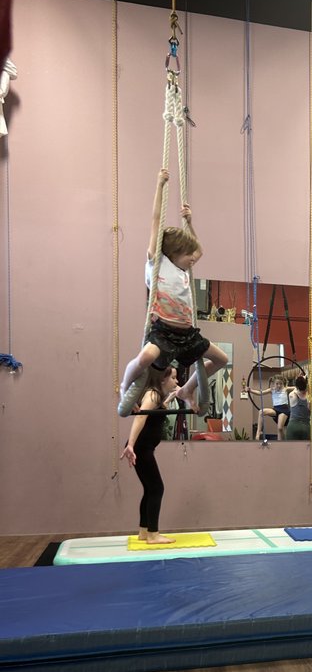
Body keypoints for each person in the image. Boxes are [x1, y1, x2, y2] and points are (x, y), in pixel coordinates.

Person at [119, 169, 228, 413]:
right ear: (175, 253)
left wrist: (190, 223)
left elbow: (199, 250)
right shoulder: (157, 263)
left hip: (188, 333)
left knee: (221, 359)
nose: (193, 258)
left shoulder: (183, 270)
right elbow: (155, 221)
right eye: (188, 255)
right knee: (146, 358)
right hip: (164, 332)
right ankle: (125, 386)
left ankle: (187, 389)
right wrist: (160, 186)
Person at [120, 366, 181, 545]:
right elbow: (141, 417)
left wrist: (172, 396)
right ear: (162, 379)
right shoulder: (153, 395)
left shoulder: (158, 396)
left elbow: (158, 411)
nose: (176, 381)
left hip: (143, 448)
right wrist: (131, 445)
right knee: (157, 488)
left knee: (150, 489)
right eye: (173, 378)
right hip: (141, 448)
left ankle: (144, 531)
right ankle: (153, 535)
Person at [249, 375, 292, 441]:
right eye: (277, 384)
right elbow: (260, 393)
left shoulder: (285, 389)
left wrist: (303, 379)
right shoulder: (272, 390)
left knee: (280, 428)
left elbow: (297, 388)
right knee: (261, 412)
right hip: (276, 409)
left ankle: (283, 442)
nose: (279, 385)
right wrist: (250, 390)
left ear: (283, 383)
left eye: (281, 384)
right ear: (274, 384)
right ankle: (258, 433)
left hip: (284, 410)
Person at [286, 375, 312, 441]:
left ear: (297, 386)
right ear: (307, 385)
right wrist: (306, 383)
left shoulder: (292, 395)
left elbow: (296, 389)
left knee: (291, 447)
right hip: (306, 427)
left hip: (293, 426)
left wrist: (300, 381)